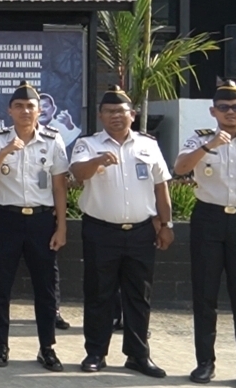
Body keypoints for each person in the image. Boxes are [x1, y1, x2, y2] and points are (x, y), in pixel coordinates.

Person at [70, 85, 173, 378]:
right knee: (98, 293)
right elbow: (77, 174)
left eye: (121, 111)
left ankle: (138, 355)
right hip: (101, 231)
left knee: (139, 296)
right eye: (110, 111)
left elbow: (161, 186)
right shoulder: (87, 144)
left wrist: (166, 224)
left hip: (141, 231)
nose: (116, 116)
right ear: (101, 116)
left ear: (133, 114)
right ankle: (95, 352)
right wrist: (97, 161)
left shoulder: (148, 145)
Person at [0, 81, 69, 372]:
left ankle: (47, 347)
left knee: (45, 288)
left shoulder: (53, 140)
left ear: (40, 110)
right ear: (10, 111)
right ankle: (0, 345)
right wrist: (6, 151)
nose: (25, 111)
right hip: (7, 219)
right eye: (19, 106)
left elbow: (59, 188)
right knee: (1, 285)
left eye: (30, 106)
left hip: (42, 220)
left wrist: (62, 226)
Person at [174, 79, 236, 385]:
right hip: (209, 219)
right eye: (224, 107)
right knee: (204, 295)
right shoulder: (199, 139)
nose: (231, 112)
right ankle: (205, 362)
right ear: (212, 111)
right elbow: (179, 168)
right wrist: (209, 146)